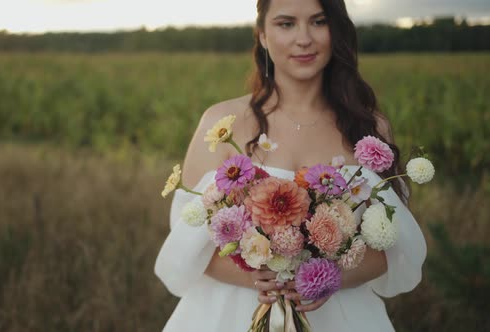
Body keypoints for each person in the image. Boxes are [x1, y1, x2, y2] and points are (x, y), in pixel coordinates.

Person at [155, 0, 426, 331]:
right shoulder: (223, 124)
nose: (304, 39)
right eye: (286, 24)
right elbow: (189, 241)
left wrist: (330, 276)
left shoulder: (369, 129)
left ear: (336, 30)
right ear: (263, 36)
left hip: (339, 315)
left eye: (318, 22)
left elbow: (390, 245)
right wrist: (257, 276)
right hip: (229, 314)